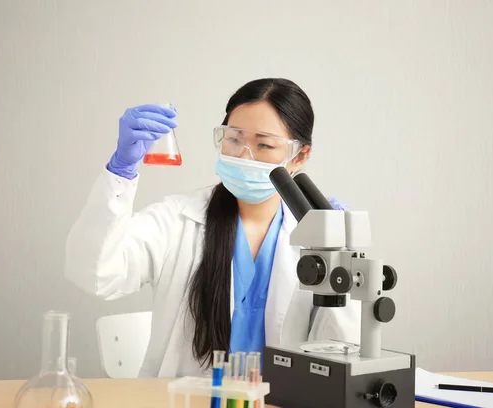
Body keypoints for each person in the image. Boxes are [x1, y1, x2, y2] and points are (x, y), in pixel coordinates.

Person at [64, 78, 361, 377]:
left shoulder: (317, 235)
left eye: (264, 144)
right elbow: (97, 273)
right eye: (234, 139)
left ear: (300, 156)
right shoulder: (177, 219)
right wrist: (120, 172)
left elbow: (339, 346)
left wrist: (342, 260)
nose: (245, 155)